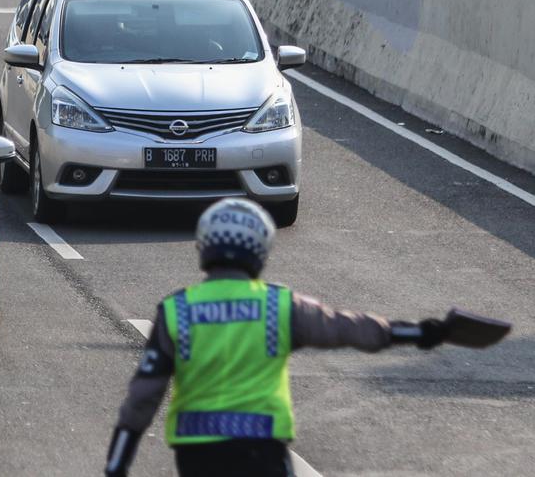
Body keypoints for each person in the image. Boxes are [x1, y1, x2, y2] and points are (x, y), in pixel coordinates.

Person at [104, 198, 453, 477]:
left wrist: (117, 464)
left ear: (203, 247)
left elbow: (142, 397)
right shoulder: (279, 306)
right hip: (262, 449)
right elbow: (348, 328)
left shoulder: (177, 310)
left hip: (197, 454)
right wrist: (417, 332)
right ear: (261, 252)